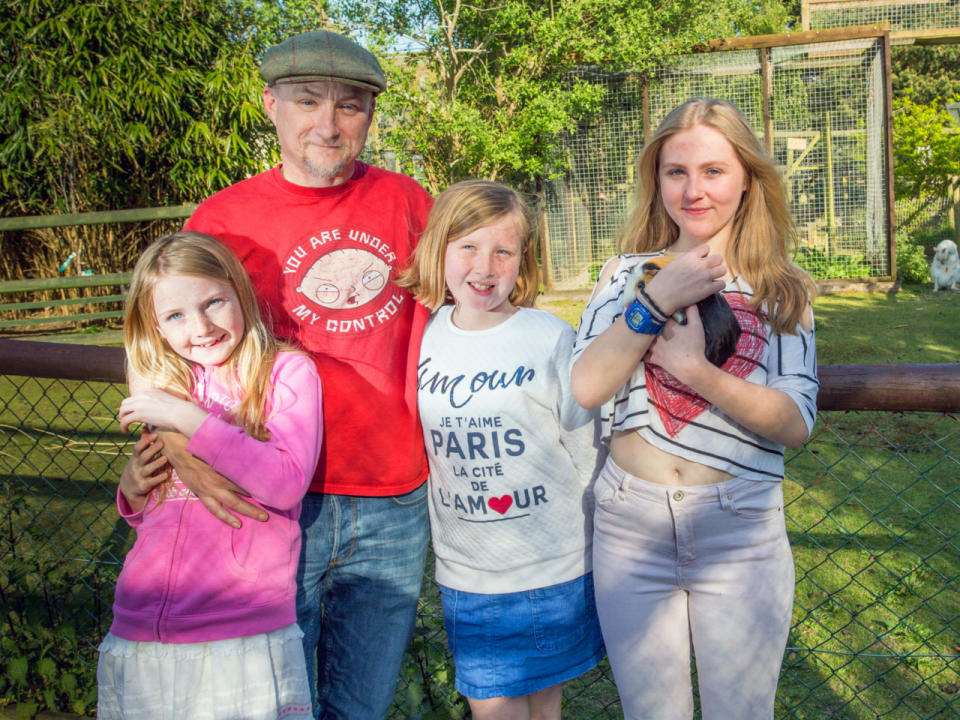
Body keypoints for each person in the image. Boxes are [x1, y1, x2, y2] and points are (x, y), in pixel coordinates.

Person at [173, 31, 433, 720]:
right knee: (272, 700)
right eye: (308, 101)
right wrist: (172, 447)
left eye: (349, 105)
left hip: (392, 498)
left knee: (361, 706)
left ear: (370, 115)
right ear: (270, 105)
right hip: (270, 499)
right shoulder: (223, 222)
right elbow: (165, 349)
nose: (328, 123)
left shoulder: (409, 204)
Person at [570, 98, 818, 720]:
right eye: (676, 171)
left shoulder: (781, 287)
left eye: (713, 171)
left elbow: (796, 422)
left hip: (740, 532)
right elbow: (586, 386)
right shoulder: (622, 275)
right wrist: (656, 299)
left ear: (747, 179)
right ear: (656, 180)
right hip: (631, 527)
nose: (694, 190)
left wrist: (695, 371)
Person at [398, 180, 606, 720]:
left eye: (503, 251)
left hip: (554, 564)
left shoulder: (548, 336)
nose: (484, 266)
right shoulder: (421, 337)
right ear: (438, 247)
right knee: (492, 707)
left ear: (522, 259)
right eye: (467, 246)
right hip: (470, 572)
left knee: (544, 706)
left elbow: (585, 444)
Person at [98, 231, 322, 720]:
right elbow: (160, 510)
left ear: (239, 292)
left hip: (238, 625)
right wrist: (132, 490)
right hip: (142, 620)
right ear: (154, 326)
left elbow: (285, 483)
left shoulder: (286, 374)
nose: (200, 327)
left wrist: (187, 420)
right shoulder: (165, 382)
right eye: (175, 316)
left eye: (214, 302)